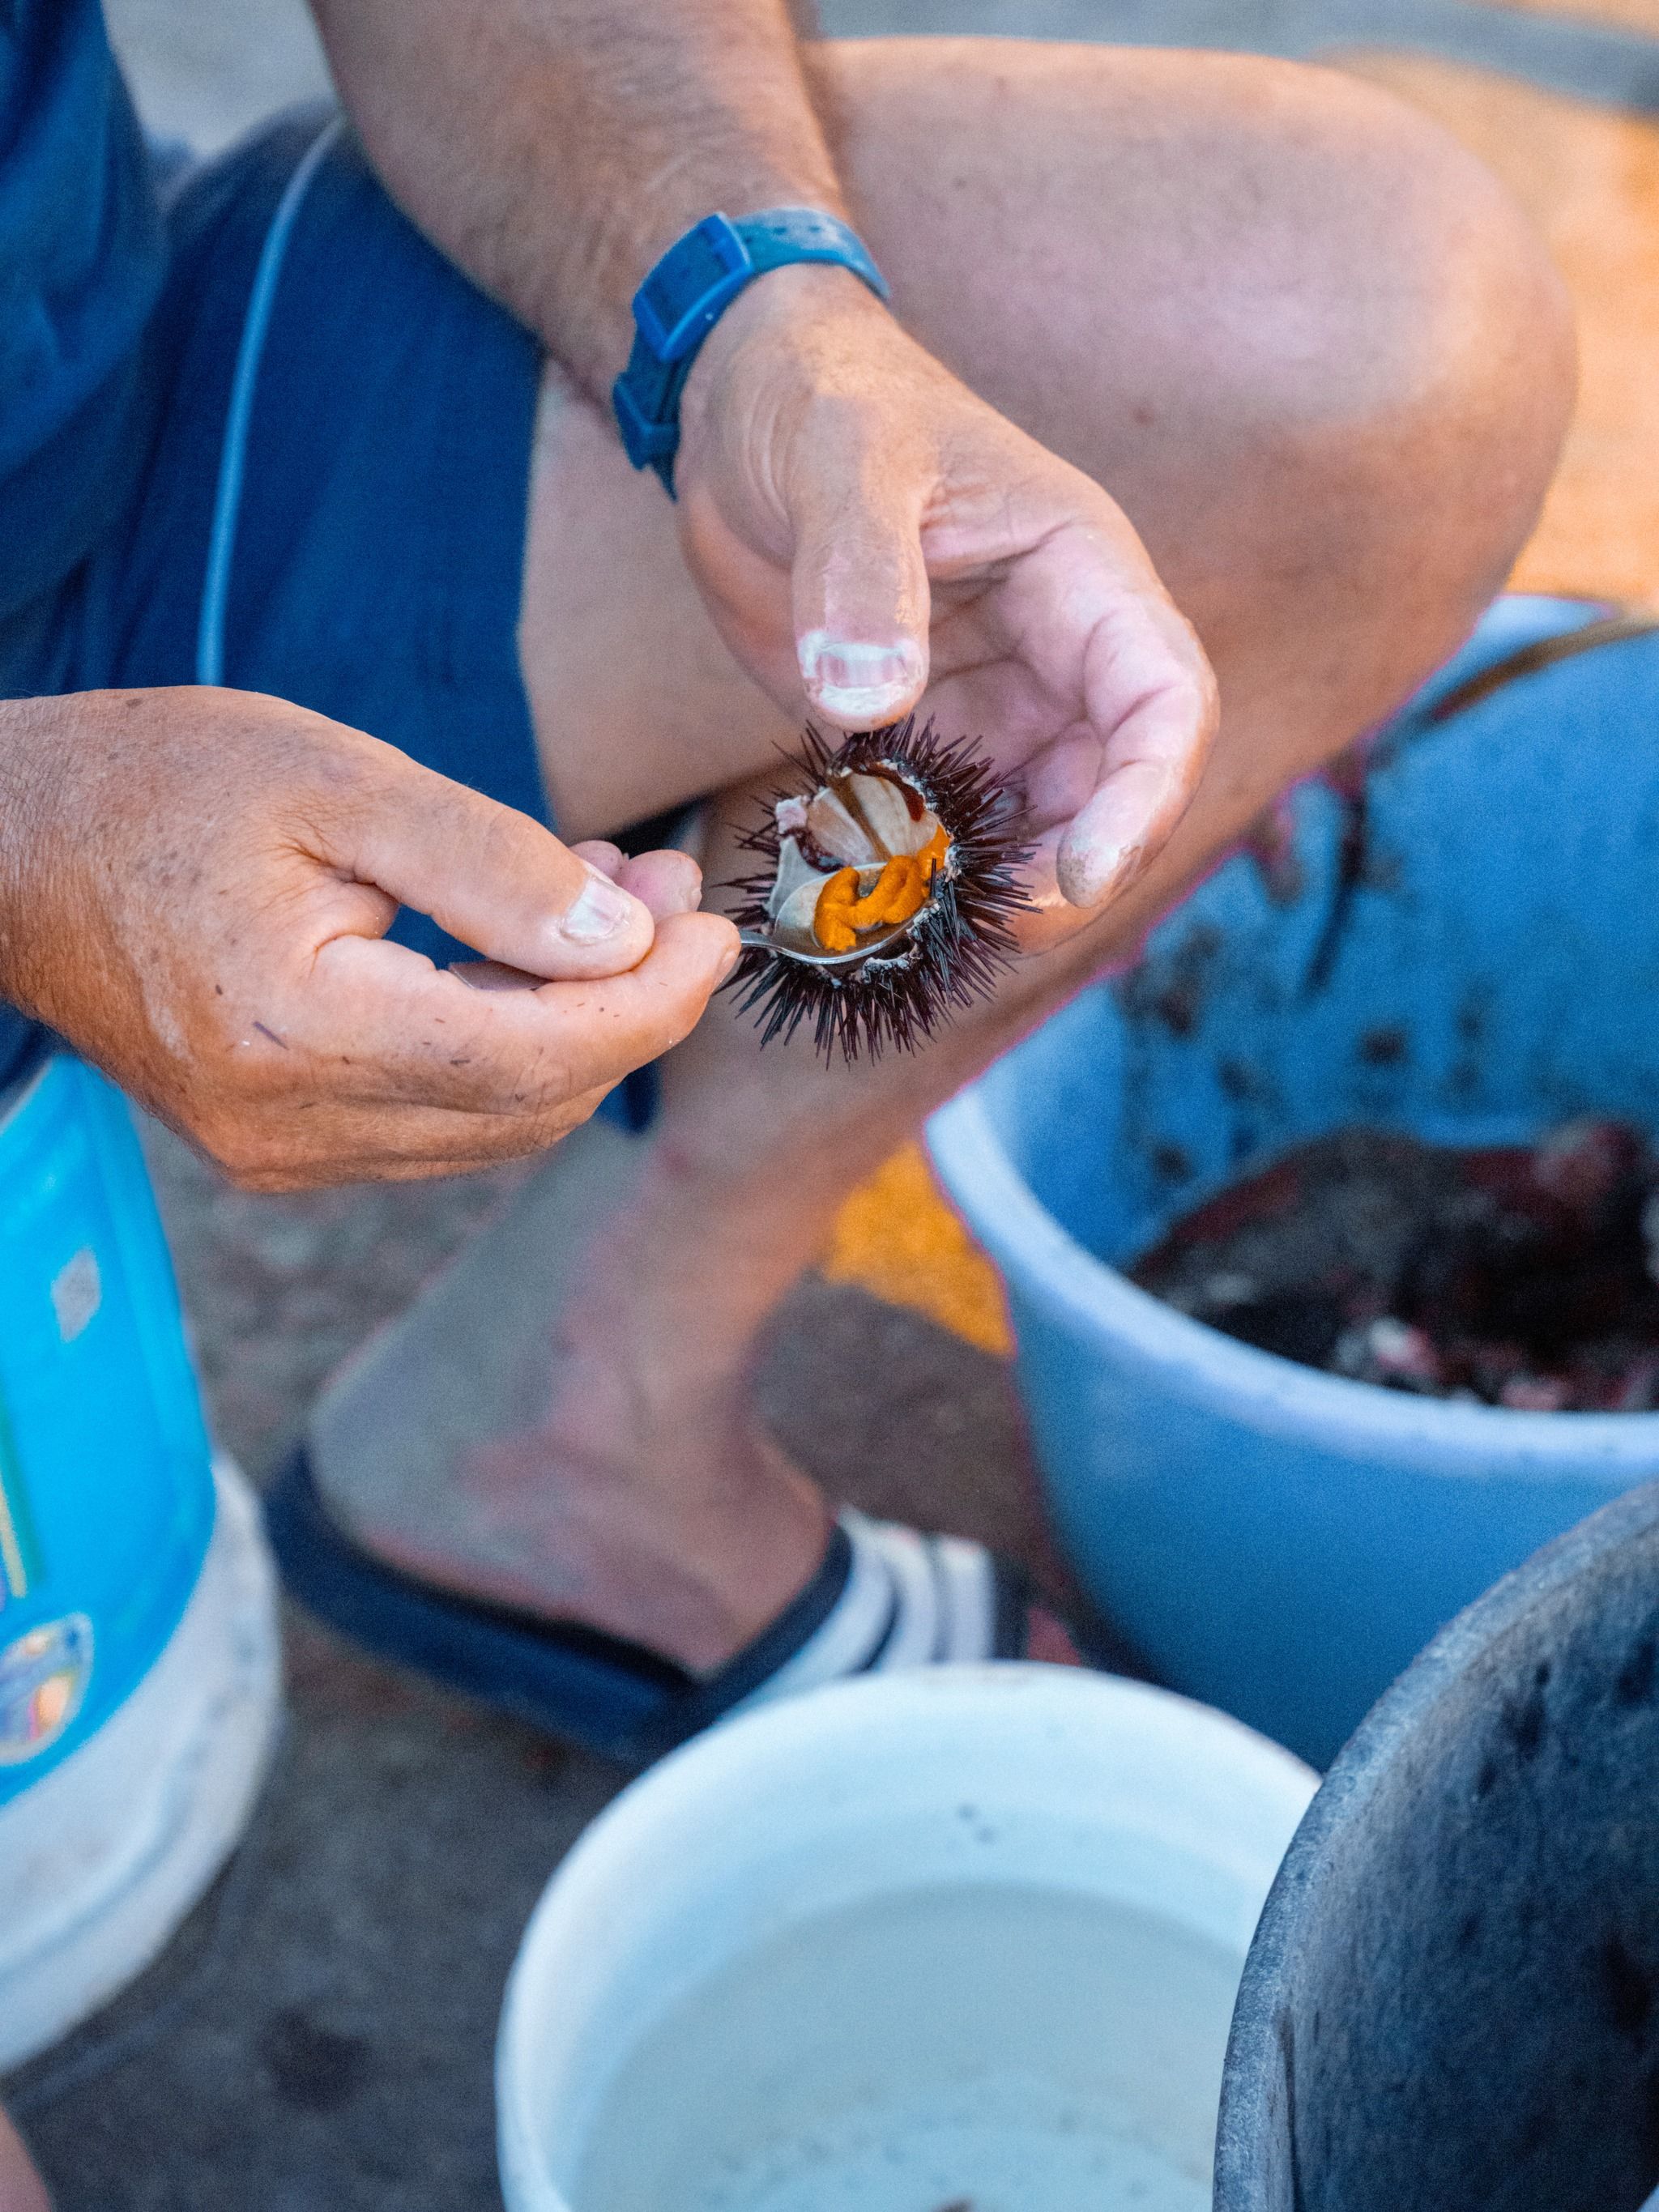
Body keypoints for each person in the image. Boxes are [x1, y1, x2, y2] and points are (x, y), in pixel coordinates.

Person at [1, 0, 1571, 2189]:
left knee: (1367, 325)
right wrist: (27, 844)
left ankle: (580, 1422)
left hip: (84, 437)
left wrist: (748, 307)